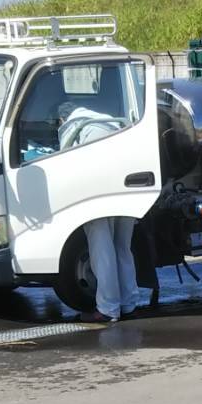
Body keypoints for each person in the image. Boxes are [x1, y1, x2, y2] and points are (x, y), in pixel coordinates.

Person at [56, 101, 141, 324]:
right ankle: (129, 303)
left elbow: (63, 160)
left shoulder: (74, 127)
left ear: (62, 119)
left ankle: (108, 309)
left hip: (98, 194)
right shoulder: (109, 122)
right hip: (128, 188)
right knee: (122, 247)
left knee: (102, 251)